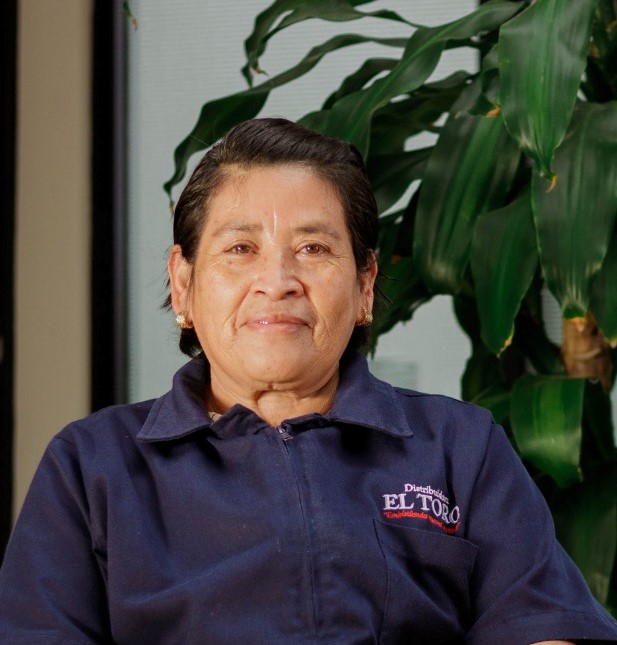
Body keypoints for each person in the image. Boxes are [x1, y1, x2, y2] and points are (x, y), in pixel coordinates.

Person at [0, 118, 616, 645]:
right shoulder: (91, 467)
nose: (278, 282)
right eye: (240, 249)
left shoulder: (461, 447)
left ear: (365, 286)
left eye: (314, 249)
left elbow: (546, 627)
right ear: (183, 285)